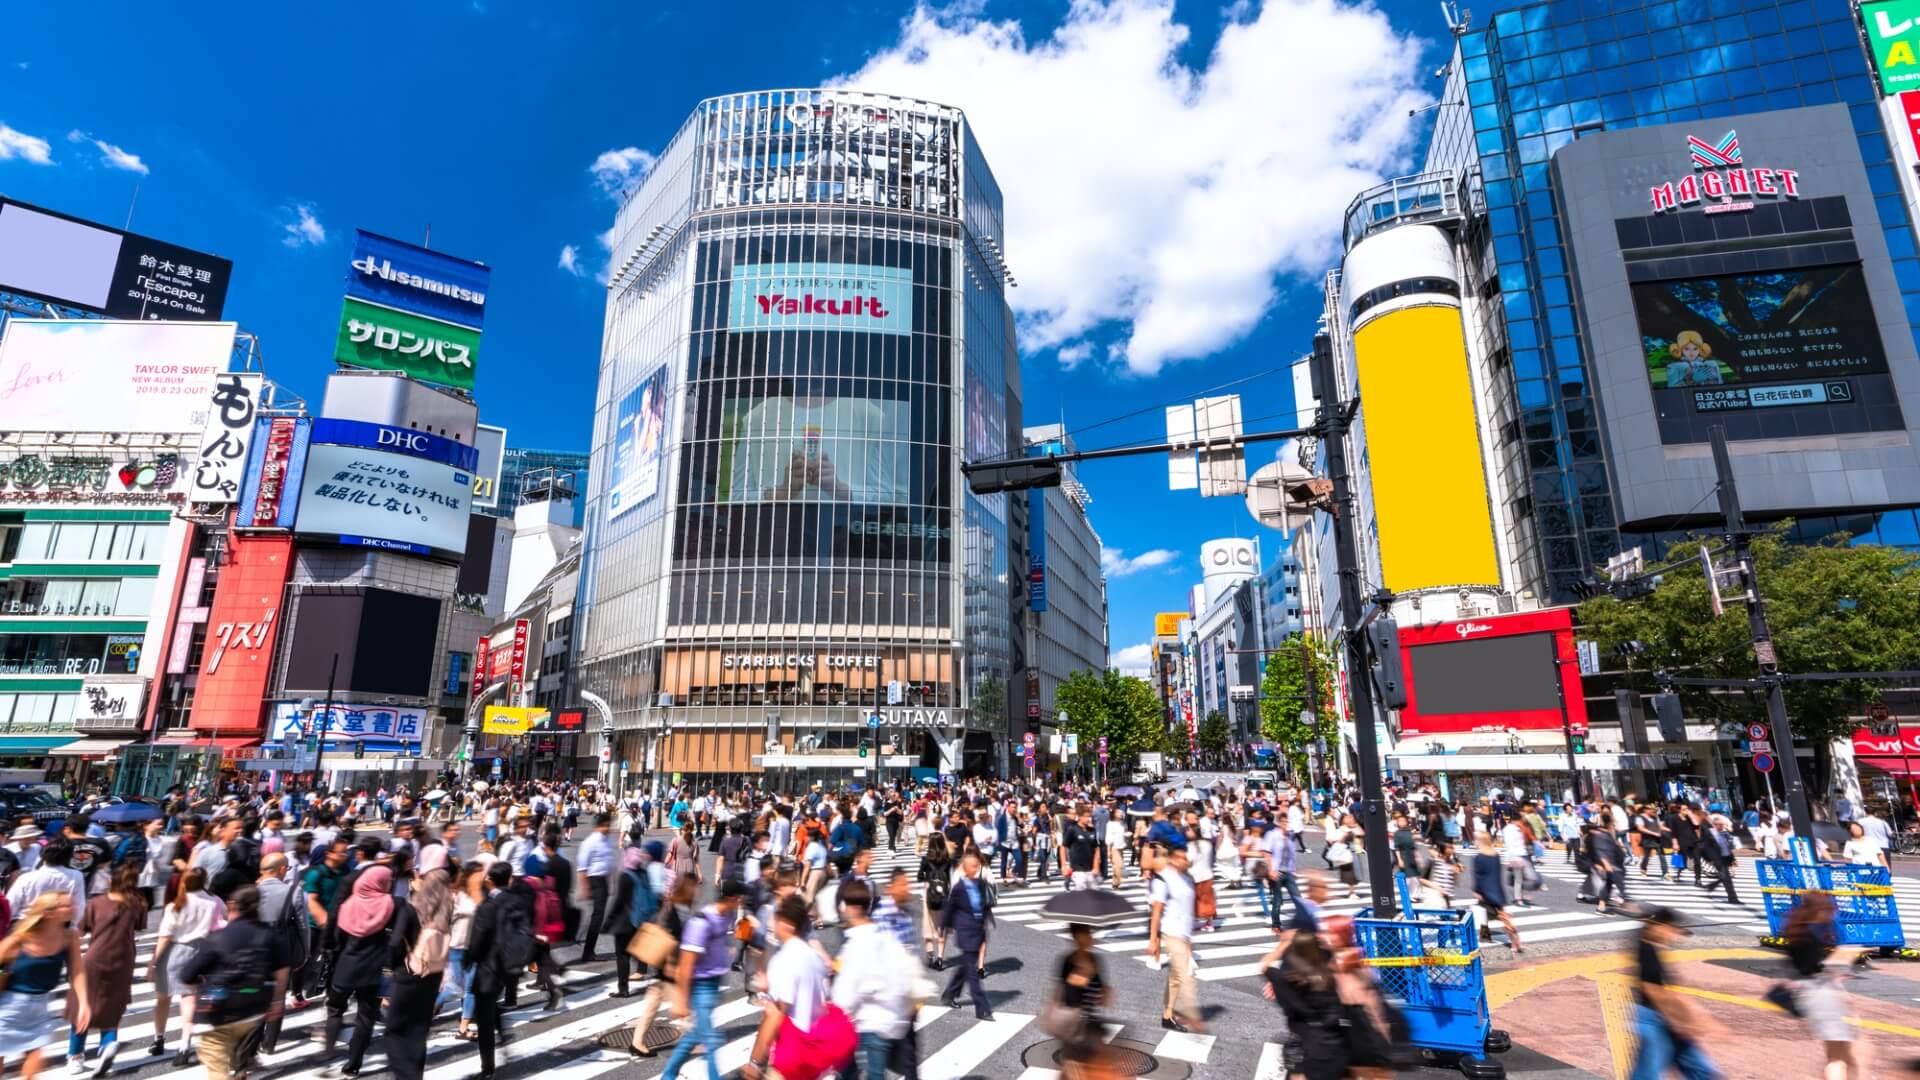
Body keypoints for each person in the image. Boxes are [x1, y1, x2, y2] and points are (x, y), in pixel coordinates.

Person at [179, 886, 290, 1080]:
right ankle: (240, 1068)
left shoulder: (218, 937)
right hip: (256, 1006)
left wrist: (200, 984)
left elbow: (187, 974)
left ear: (232, 906)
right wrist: (277, 1001)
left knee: (215, 1060)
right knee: (239, 1045)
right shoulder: (271, 935)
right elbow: (282, 972)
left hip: (219, 1009)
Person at [659, 878, 750, 1080]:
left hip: (714, 983)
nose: (741, 901)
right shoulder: (701, 922)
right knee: (711, 1039)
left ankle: (669, 1075)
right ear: (731, 898)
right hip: (700, 987)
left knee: (695, 1036)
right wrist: (681, 1001)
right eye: (740, 898)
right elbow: (686, 964)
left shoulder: (726, 915)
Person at [67, 863, 146, 1078]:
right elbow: (139, 927)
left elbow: (81, 930)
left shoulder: (96, 903)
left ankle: (76, 1055)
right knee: (113, 1005)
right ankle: (108, 1043)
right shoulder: (137, 904)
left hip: (95, 958)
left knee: (81, 1004)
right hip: (124, 960)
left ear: (111, 881)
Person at [832, 879, 914, 1080]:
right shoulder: (885, 936)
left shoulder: (856, 944)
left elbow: (845, 996)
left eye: (844, 905)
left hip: (866, 1022)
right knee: (874, 1074)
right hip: (889, 1020)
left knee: (850, 1072)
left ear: (852, 908)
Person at [320, 864, 397, 1077]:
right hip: (376, 970)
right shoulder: (390, 905)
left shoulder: (348, 905)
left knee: (335, 1008)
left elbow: (337, 938)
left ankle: (327, 1052)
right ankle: (353, 1065)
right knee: (366, 1017)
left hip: (346, 966)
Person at [1629, 907, 1723, 1080]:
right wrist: (1681, 1020)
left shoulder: (1649, 946)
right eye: (1672, 930)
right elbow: (1654, 991)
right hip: (1654, 1019)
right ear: (1660, 926)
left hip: (1661, 1018)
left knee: (1699, 1068)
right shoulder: (1647, 953)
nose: (1673, 936)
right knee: (1648, 1073)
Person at [0, 895, 86, 1080]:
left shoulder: (69, 937)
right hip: (9, 1007)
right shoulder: (19, 939)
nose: (74, 907)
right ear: (49, 913)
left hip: (40, 1006)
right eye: (67, 905)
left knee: (35, 1062)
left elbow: (77, 971)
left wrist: (84, 1004)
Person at [385, 847, 452, 1080]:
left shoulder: (410, 908)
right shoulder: (449, 905)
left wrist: (393, 968)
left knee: (394, 1031)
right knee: (418, 1032)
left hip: (408, 973)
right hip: (434, 973)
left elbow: (395, 944)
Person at [149, 866, 224, 1065]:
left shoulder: (176, 905)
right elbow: (223, 920)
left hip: (174, 952)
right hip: (199, 952)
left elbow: (164, 937)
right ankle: (184, 1044)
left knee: (163, 998)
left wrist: (153, 963)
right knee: (189, 1000)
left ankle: (158, 1039)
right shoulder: (213, 902)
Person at [625, 873, 698, 1057]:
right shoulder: (677, 908)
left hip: (665, 967)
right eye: (694, 887)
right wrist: (673, 966)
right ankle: (695, 1041)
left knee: (654, 1002)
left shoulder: (676, 905)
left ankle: (637, 1042)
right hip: (670, 967)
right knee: (688, 1005)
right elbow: (672, 938)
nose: (697, 891)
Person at [1147, 842, 1204, 1033]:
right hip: (1171, 932)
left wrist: (1191, 938)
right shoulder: (1163, 879)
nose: (1183, 860)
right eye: (1179, 857)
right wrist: (1153, 940)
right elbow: (1156, 911)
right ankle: (1187, 1014)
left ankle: (1168, 1014)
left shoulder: (1188, 878)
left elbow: (1189, 909)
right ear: (1171, 859)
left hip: (1184, 934)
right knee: (1183, 975)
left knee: (1176, 976)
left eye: (1185, 857)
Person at [937, 850, 995, 1020]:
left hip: (978, 931)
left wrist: (986, 924)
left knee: (965, 965)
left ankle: (949, 994)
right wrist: (943, 927)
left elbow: (984, 906)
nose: (975, 869)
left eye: (977, 866)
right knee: (972, 974)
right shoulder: (959, 888)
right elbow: (949, 909)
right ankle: (982, 1008)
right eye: (972, 866)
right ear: (964, 868)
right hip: (965, 932)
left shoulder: (981, 884)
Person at [1053, 923, 1110, 1070]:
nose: (1091, 937)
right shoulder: (1068, 961)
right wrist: (1084, 974)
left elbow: (1101, 992)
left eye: (1090, 933)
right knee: (1075, 1067)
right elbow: (1068, 997)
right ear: (1077, 937)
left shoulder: (1094, 959)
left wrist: (1105, 992)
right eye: (1087, 934)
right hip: (1073, 1026)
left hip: (1091, 1023)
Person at [1471, 833, 1522, 952]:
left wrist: (1477, 891)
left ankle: (1510, 936)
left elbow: (1478, 877)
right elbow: (1497, 874)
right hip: (1497, 890)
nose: (1475, 842)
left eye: (1476, 840)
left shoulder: (1479, 858)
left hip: (1485, 891)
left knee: (1489, 915)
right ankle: (1512, 939)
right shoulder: (1496, 856)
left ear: (1481, 841)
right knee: (1501, 915)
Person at [577, 813, 616, 961]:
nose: (608, 828)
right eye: (606, 825)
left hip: (603, 880)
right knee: (597, 917)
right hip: (594, 880)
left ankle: (589, 950)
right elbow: (582, 867)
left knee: (598, 916)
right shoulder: (590, 842)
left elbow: (608, 862)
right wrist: (585, 888)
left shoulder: (608, 840)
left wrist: (610, 882)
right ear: (599, 825)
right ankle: (588, 952)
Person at [917, 834, 952, 968]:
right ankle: (940, 957)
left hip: (929, 890)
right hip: (943, 891)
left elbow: (920, 876)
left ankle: (930, 954)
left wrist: (927, 876)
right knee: (941, 924)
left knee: (929, 922)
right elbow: (949, 878)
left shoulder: (926, 859)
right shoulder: (947, 859)